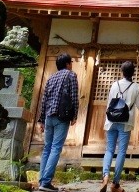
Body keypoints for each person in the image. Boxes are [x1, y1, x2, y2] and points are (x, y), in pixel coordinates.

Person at [100, 61, 139, 192]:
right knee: (121, 152)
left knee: (109, 150)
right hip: (125, 123)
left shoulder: (114, 84)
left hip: (111, 121)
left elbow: (109, 103)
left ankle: (105, 175)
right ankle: (115, 183)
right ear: (133, 73)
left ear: (122, 71)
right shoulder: (136, 87)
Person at [37, 53, 79, 192]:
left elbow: (44, 99)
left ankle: (42, 180)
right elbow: (73, 96)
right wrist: (74, 115)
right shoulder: (71, 75)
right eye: (70, 62)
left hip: (49, 116)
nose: (71, 64)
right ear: (67, 64)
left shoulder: (51, 78)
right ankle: (46, 182)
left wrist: (41, 119)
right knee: (55, 148)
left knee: (47, 148)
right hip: (62, 116)